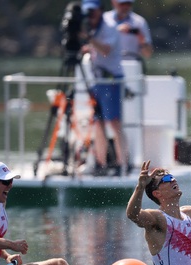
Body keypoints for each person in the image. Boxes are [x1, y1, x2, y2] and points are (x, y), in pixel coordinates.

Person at [81, 0, 128, 176]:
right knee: (98, 123)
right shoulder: (91, 26)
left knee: (114, 123)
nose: (90, 16)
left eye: (92, 12)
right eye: (87, 12)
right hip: (98, 81)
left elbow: (106, 49)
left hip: (111, 80)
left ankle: (122, 164)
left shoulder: (109, 26)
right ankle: (100, 163)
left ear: (100, 11)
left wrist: (89, 39)